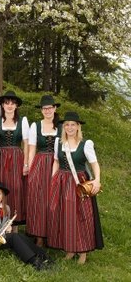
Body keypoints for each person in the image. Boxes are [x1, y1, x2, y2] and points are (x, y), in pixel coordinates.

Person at [48, 112, 103, 264]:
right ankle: (70, 249)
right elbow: (56, 162)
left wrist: (97, 180)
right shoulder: (58, 142)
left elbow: (94, 164)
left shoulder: (86, 144)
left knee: (82, 216)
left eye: (73, 124)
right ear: (63, 127)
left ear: (78, 127)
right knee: (66, 215)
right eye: (67, 125)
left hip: (79, 182)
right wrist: (53, 179)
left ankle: (83, 250)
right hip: (62, 181)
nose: (70, 127)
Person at [0, 181, 53, 270]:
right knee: (13, 237)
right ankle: (34, 262)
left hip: (3, 237)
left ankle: (44, 256)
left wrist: (8, 228)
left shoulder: (7, 208)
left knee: (20, 236)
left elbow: (4, 226)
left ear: (3, 196)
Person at [26, 95, 61, 246]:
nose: (47, 110)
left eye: (50, 108)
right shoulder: (35, 126)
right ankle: (39, 236)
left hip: (57, 163)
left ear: (55, 108)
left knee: (54, 200)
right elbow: (32, 148)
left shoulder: (61, 126)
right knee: (39, 200)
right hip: (40, 164)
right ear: (41, 110)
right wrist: (29, 167)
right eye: (44, 108)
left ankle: (54, 235)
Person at [0, 91, 29, 226]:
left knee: (16, 188)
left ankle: (15, 222)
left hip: (16, 157)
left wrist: (26, 163)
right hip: (0, 157)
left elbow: (26, 143)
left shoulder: (22, 121)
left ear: (16, 106)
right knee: (1, 187)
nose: (9, 105)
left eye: (12, 103)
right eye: (7, 103)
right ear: (2, 105)